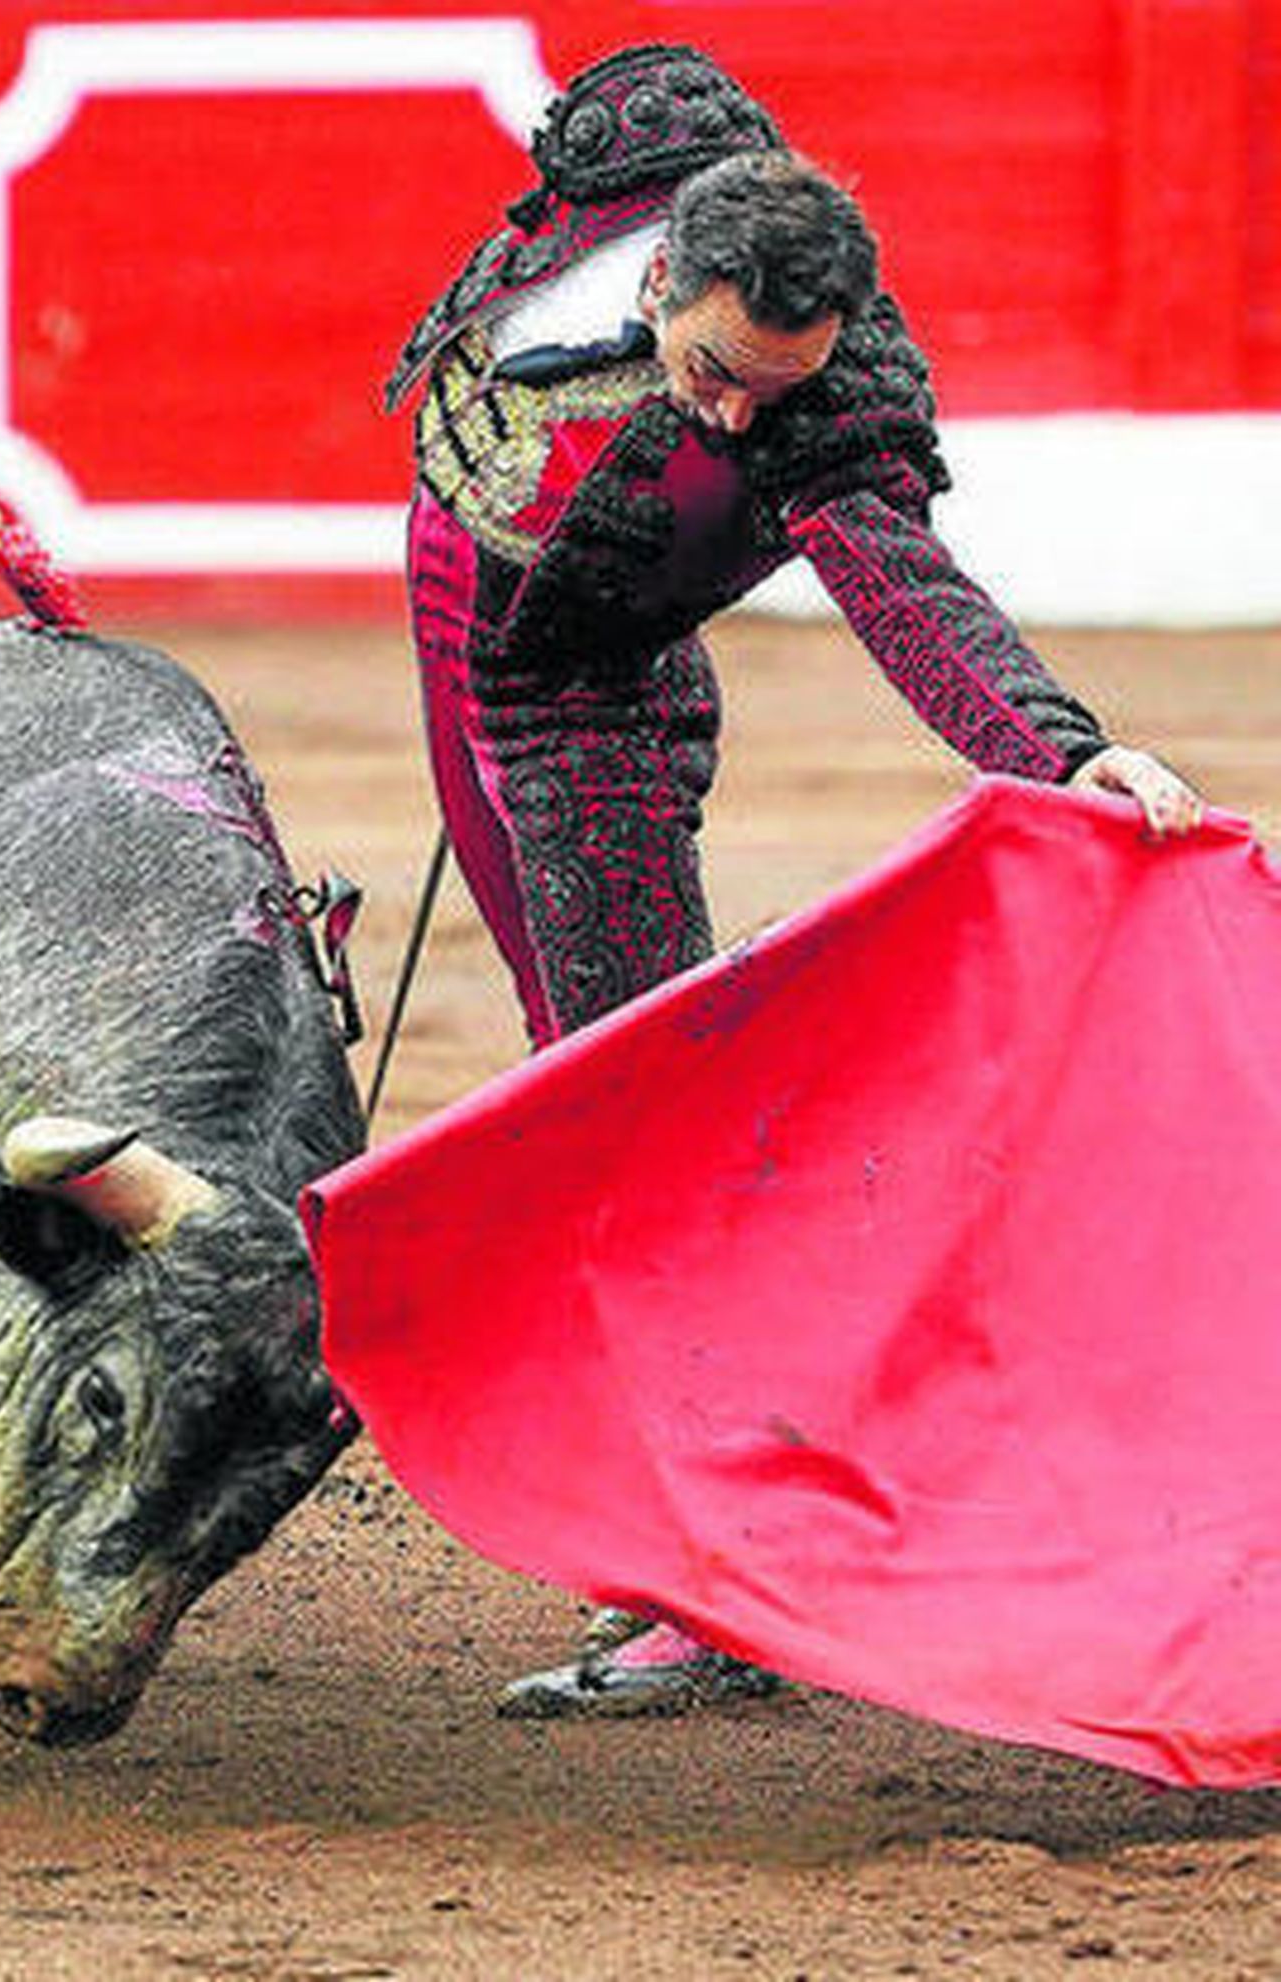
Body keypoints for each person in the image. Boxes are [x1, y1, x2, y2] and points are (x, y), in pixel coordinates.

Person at [384, 43, 1204, 1716]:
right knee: (580, 1095)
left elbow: (909, 588)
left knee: (645, 1135)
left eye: (776, 386)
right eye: (717, 369)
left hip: (581, 702)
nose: (738, 410)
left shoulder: (832, 399)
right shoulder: (641, 153)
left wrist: (1062, 752)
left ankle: (719, 1588)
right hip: (456, 627)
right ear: (667, 266)